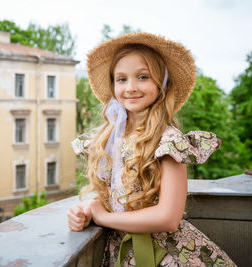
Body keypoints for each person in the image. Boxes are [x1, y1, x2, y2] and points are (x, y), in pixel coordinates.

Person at [67, 33, 237, 267]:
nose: (131, 87)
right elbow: (119, 196)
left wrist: (104, 217)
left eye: (143, 77)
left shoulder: (168, 141)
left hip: (168, 255)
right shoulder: (108, 140)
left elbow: (168, 218)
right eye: (122, 79)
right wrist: (86, 211)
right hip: (123, 253)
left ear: (161, 83)